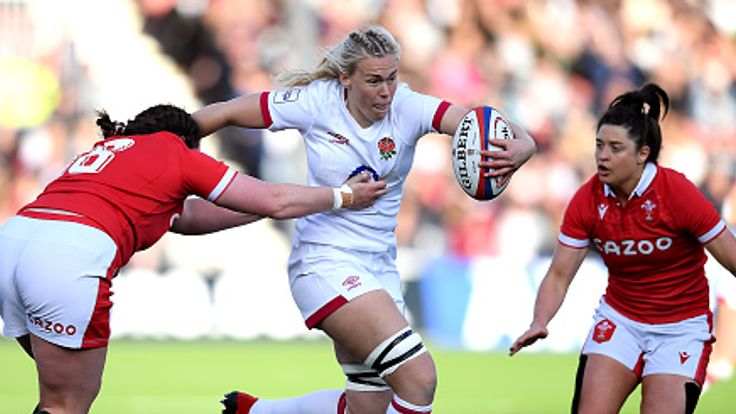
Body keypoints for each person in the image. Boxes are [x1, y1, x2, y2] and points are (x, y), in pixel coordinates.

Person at [193, 24, 537, 414]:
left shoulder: (408, 107)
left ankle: (257, 412)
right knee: (420, 377)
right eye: (374, 81)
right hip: (324, 262)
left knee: (369, 406)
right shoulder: (315, 102)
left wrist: (525, 142)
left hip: (379, 268)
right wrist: (161, 139)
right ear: (345, 78)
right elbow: (225, 112)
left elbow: (479, 122)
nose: (386, 91)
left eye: (391, 78)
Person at [0, 104, 387, 414]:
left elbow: (187, 218)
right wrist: (342, 196)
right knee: (67, 404)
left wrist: (269, 208)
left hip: (13, 241)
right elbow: (275, 199)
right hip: (67, 257)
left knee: (55, 399)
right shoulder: (175, 150)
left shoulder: (106, 152)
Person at [509, 83, 736, 414]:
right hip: (621, 321)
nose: (602, 155)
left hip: (681, 329)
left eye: (616, 148)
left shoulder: (677, 192)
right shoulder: (587, 198)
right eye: (599, 145)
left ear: (643, 154)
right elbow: (559, 274)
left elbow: (731, 255)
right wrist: (540, 320)